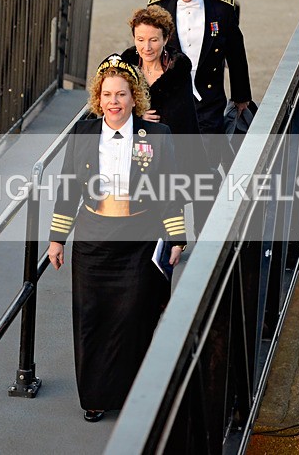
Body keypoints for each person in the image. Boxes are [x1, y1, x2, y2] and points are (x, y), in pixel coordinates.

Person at [46, 54, 187, 423]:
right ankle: (94, 398)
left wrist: (176, 237)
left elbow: (170, 188)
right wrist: (57, 239)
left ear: (134, 96)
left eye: (121, 94)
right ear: (98, 97)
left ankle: (131, 396)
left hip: (139, 241)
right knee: (91, 321)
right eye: (107, 94)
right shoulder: (83, 133)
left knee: (132, 320)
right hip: (92, 243)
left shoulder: (157, 135)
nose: (114, 101)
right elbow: (68, 189)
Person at [148, 0, 256, 169]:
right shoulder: (157, 10)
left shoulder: (222, 10)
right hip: (170, 98)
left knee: (207, 164)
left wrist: (241, 97)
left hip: (208, 99)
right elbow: (144, 56)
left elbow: (236, 55)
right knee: (169, 162)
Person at [120, 5, 213, 232]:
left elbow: (182, 117)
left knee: (171, 205)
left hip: (174, 149)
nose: (146, 47)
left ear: (166, 38)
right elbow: (111, 106)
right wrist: (136, 115)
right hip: (134, 151)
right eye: (140, 39)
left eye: (153, 40)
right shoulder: (125, 67)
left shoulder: (178, 69)